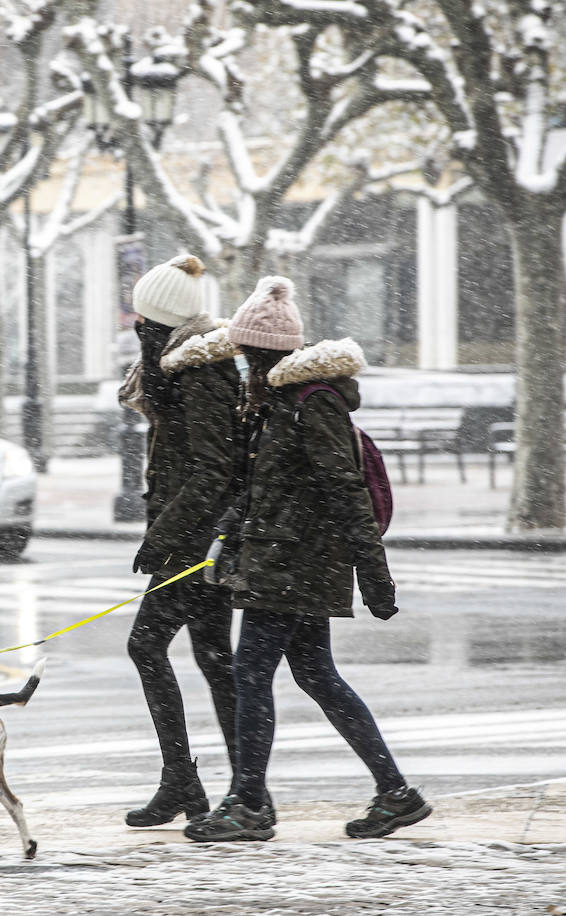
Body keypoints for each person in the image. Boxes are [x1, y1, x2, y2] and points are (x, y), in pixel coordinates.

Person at [185, 276, 431, 842]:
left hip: (298, 563)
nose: (244, 367)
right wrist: (229, 533)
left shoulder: (310, 405)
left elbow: (345, 491)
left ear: (267, 353)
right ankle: (396, 794)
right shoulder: (274, 407)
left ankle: (249, 804)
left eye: (249, 355)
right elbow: (266, 489)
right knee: (317, 674)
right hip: (284, 559)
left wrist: (375, 576)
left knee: (252, 673)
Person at [117, 254, 242, 827]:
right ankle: (234, 787)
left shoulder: (201, 374)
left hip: (195, 541)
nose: (135, 329)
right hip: (195, 536)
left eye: (142, 321)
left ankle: (192, 781)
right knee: (215, 659)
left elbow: (214, 470)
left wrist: (161, 539)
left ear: (159, 321)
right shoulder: (181, 368)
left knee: (148, 646)